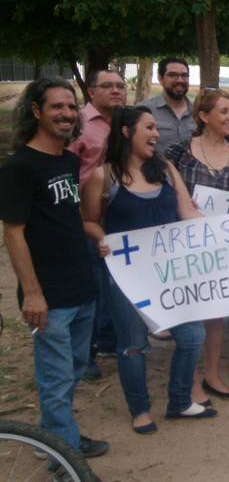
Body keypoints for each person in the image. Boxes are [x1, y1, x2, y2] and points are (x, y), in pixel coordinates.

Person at [81, 107, 216, 433]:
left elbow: (187, 212)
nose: (156, 134)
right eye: (149, 127)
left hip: (170, 275)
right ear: (126, 132)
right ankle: (140, 410)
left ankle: (180, 400)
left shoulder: (167, 170)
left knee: (192, 336)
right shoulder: (104, 176)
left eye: (157, 128)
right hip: (126, 276)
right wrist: (102, 238)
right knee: (133, 344)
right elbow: (87, 221)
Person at [0, 78, 109, 457]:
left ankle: (53, 441)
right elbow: (13, 233)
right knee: (56, 378)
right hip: (49, 296)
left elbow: (66, 218)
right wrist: (32, 292)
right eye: (56, 107)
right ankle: (66, 455)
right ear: (36, 111)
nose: (65, 114)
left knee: (74, 370)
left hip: (81, 287)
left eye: (70, 106)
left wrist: (97, 234)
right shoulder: (20, 167)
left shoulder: (68, 159)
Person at [165, 89, 229, 403]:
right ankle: (189, 381)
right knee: (191, 313)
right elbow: (166, 197)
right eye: (224, 111)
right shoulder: (178, 152)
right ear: (204, 116)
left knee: (217, 312)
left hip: (227, 250)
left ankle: (212, 373)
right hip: (190, 248)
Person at [68, 69, 127, 381]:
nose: (116, 91)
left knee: (116, 281)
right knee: (93, 285)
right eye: (107, 86)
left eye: (120, 86)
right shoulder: (78, 124)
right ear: (91, 92)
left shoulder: (125, 122)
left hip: (120, 215)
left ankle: (109, 339)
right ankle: (87, 352)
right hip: (86, 216)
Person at [138, 57, 195, 154]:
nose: (180, 80)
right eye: (173, 75)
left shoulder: (199, 112)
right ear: (160, 79)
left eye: (184, 75)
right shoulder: (144, 110)